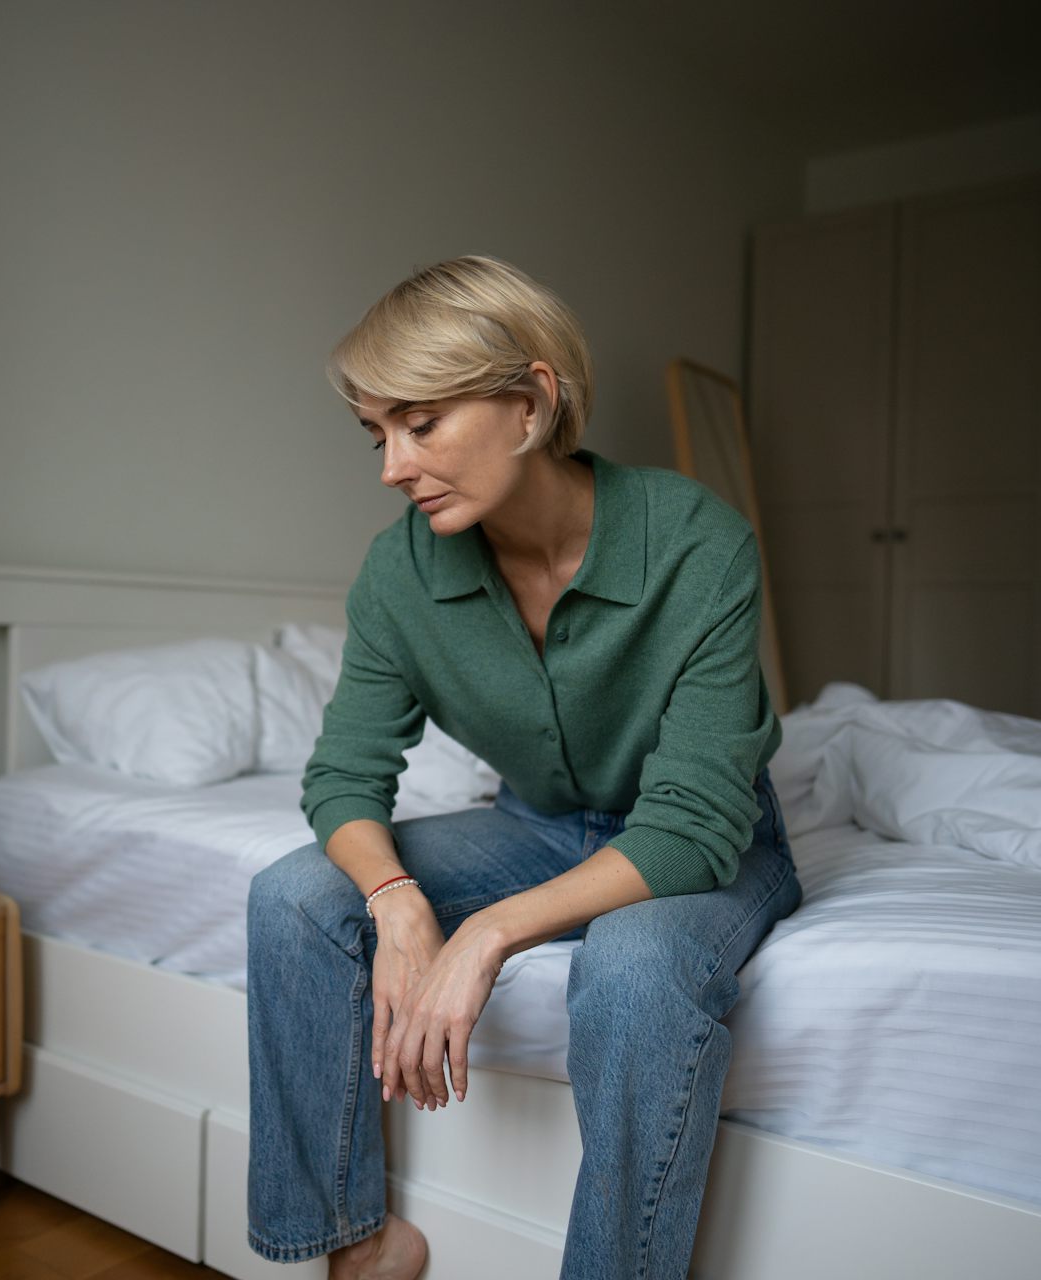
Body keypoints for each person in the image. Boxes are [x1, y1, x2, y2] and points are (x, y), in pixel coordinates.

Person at [244, 255, 803, 1280]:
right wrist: (400, 898)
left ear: (533, 402)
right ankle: (357, 1245)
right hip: (541, 821)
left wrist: (490, 932)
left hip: (706, 841)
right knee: (293, 894)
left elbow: (688, 826)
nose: (392, 467)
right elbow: (342, 777)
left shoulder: (698, 544)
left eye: (421, 423)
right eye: (378, 434)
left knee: (633, 966)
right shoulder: (399, 571)